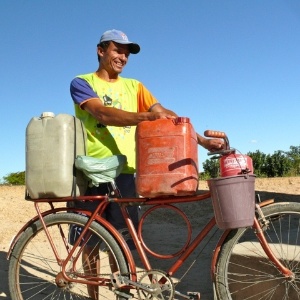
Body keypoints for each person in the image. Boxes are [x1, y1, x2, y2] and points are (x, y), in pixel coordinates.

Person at [70, 29, 224, 300]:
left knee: (125, 242)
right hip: (91, 170)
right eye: (118, 50)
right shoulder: (81, 82)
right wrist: (144, 118)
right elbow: (101, 112)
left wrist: (200, 140)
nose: (123, 57)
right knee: (90, 243)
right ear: (101, 50)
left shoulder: (135, 86)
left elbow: (165, 115)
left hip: (127, 172)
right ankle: (93, 297)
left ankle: (123, 295)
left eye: (127, 53)